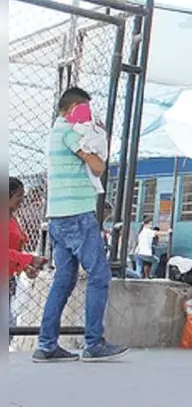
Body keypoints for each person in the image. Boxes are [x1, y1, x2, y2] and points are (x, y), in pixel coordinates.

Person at [36, 87, 127, 362]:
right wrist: (95, 134)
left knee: (63, 280)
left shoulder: (55, 133)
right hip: (77, 216)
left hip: (58, 217)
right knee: (99, 275)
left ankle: (47, 345)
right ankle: (93, 343)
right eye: (85, 109)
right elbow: (98, 167)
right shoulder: (69, 132)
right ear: (74, 108)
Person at [8, 177, 47, 343]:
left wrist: (25, 266)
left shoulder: (12, 219)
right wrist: (29, 259)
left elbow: (12, 250)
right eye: (19, 196)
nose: (22, 201)